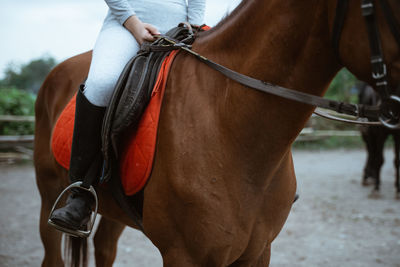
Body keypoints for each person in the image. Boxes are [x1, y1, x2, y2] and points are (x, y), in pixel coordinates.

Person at [49, 0, 206, 234]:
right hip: (128, 25)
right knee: (103, 83)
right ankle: (81, 194)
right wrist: (134, 25)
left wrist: (194, 25)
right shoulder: (129, 25)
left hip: (184, 27)